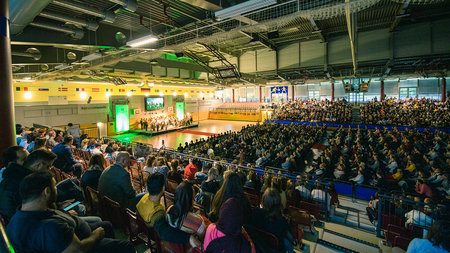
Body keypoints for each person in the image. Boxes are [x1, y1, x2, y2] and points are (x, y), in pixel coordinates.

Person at [6, 171, 135, 253]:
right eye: (54, 186)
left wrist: (61, 210)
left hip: (74, 232)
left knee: (106, 224)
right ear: (46, 191)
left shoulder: (19, 216)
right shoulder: (49, 226)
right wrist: (96, 235)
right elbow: (78, 249)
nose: (56, 190)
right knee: (126, 246)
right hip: (83, 244)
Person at [136, 173, 199, 247]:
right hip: (156, 240)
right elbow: (164, 233)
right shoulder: (157, 214)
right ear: (163, 188)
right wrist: (189, 238)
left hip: (145, 233)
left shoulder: (144, 197)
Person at [252, 188, 294, 253]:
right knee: (290, 240)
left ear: (263, 200)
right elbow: (288, 237)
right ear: (278, 202)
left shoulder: (255, 212)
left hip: (260, 247)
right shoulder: (282, 221)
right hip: (276, 250)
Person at [0, 146, 31, 221]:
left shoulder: (21, 178)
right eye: (25, 159)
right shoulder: (10, 184)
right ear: (11, 164)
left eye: (30, 157)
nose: (30, 161)